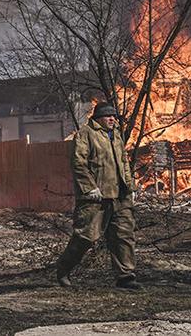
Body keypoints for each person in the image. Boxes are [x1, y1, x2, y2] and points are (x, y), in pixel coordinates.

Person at [54, 101, 141, 289]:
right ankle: (63, 269)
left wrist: (130, 187)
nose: (113, 119)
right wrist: (89, 187)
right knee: (85, 237)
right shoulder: (86, 134)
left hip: (120, 195)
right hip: (96, 197)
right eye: (109, 116)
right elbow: (79, 163)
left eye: (114, 116)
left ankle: (125, 277)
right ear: (98, 118)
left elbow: (124, 163)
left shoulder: (116, 135)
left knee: (124, 236)